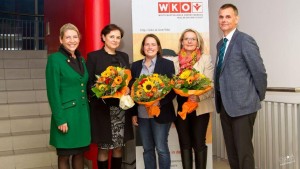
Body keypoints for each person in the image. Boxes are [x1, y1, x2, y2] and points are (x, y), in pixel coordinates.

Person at [215, 4, 267, 169]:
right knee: (232, 152)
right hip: (225, 106)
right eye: (221, 17)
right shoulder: (220, 44)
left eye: (228, 16)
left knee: (244, 153)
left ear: (236, 19)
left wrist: (257, 96)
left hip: (243, 106)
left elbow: (259, 72)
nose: (224, 20)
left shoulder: (244, 40)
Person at [86, 24, 133, 169]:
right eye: (112, 36)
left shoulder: (123, 57)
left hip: (121, 110)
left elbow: (129, 80)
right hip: (102, 110)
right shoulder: (94, 57)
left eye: (118, 37)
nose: (115, 40)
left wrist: (128, 89)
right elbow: (89, 84)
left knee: (119, 147)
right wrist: (103, 91)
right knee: (104, 148)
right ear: (103, 37)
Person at [45, 23, 91, 169]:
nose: (72, 40)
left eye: (75, 37)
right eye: (68, 37)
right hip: (66, 116)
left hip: (82, 116)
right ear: (61, 40)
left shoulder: (80, 59)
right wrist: (60, 119)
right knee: (64, 155)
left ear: (79, 38)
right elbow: (53, 92)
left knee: (79, 154)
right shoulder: (55, 59)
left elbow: (83, 85)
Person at [130, 34, 176, 169]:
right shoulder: (136, 66)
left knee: (161, 148)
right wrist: (133, 113)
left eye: (153, 44)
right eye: (147, 44)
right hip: (142, 114)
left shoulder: (167, 64)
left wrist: (159, 103)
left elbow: (172, 90)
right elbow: (132, 91)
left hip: (160, 113)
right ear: (143, 47)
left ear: (158, 47)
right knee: (147, 149)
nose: (150, 47)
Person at [174, 29, 214, 169]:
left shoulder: (205, 59)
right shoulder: (174, 61)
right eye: (186, 39)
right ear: (182, 42)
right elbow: (172, 84)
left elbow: (210, 84)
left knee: (198, 143)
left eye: (193, 39)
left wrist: (197, 96)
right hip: (180, 108)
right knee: (184, 143)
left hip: (199, 107)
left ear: (198, 42)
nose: (189, 41)